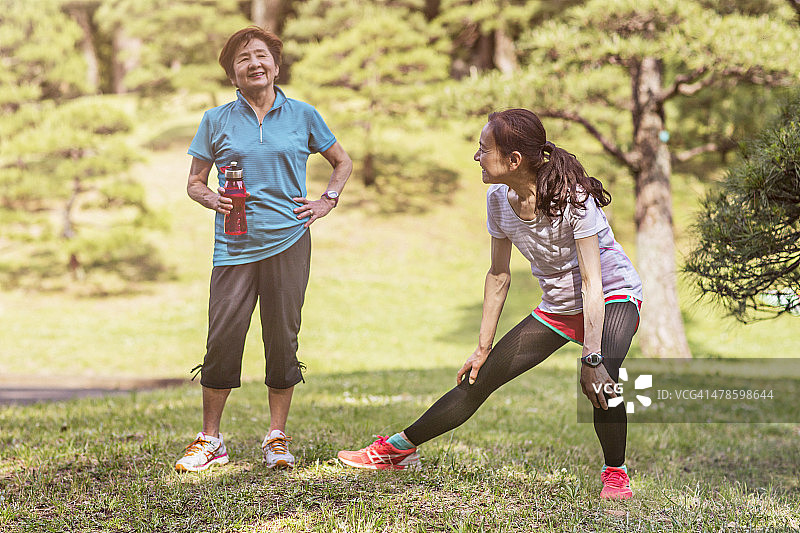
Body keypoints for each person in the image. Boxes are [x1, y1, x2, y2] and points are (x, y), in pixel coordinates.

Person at [337, 109, 643, 500]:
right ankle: (398, 449)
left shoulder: (572, 199)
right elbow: (499, 275)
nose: (476, 157)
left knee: (604, 378)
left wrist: (593, 358)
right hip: (559, 306)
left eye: (483, 149)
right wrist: (482, 347)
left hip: (612, 295)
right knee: (478, 378)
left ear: (513, 160)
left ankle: (615, 472)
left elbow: (592, 281)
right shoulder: (498, 200)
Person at [176, 26, 352, 472]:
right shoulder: (215, 120)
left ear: (275, 64)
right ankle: (211, 439)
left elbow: (341, 162)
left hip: (289, 241)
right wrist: (210, 197)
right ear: (232, 74)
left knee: (282, 337)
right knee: (222, 339)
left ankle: (276, 437)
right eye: (242, 59)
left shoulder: (304, 114)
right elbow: (195, 183)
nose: (253, 63)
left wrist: (326, 200)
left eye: (261, 55)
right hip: (234, 245)